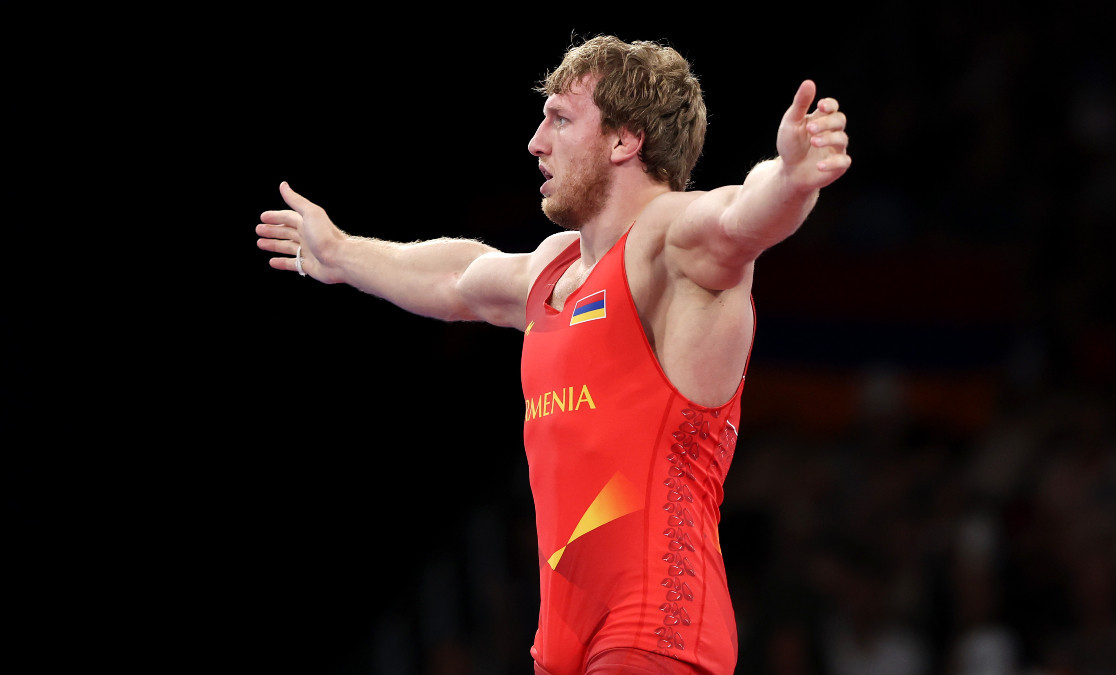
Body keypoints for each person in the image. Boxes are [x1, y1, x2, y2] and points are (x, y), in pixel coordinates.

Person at [256, 34, 850, 675]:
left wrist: (790, 179)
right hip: (563, 646)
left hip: (655, 630)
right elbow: (457, 279)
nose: (536, 143)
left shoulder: (669, 243)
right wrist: (342, 253)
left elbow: (739, 218)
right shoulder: (554, 270)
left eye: (560, 119)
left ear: (625, 141)